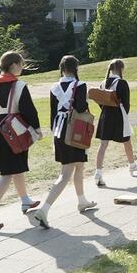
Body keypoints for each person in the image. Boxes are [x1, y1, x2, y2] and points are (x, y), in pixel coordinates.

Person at [28, 56, 96, 229]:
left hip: (59, 130)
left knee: (79, 165)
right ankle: (44, 209)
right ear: (76, 68)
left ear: (61, 68)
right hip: (75, 130)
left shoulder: (55, 87)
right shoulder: (80, 86)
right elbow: (81, 108)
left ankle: (82, 201)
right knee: (66, 173)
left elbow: (52, 113)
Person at [0, 51, 41, 229]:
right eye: (21, 64)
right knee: (8, 173)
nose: (22, 67)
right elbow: (29, 110)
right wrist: (37, 129)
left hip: (0, 127)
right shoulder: (19, 86)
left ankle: (25, 200)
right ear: (14, 65)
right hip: (15, 128)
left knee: (15, 167)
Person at [94, 59, 137, 187]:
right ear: (121, 69)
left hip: (105, 115)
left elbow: (99, 100)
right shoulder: (121, 83)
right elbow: (126, 103)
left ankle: (98, 172)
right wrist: (123, 113)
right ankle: (132, 165)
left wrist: (105, 110)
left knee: (103, 145)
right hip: (119, 115)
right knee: (126, 140)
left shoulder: (103, 83)